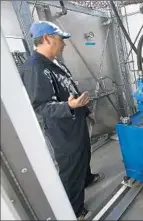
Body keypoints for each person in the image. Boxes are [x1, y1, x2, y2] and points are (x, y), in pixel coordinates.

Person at [19, 20, 104, 220]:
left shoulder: (53, 62)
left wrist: (84, 111)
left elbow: (68, 90)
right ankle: (73, 210)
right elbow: (41, 106)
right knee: (70, 167)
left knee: (83, 152)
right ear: (47, 38)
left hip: (75, 121)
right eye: (60, 39)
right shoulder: (36, 69)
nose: (64, 44)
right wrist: (70, 107)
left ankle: (86, 178)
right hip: (63, 131)